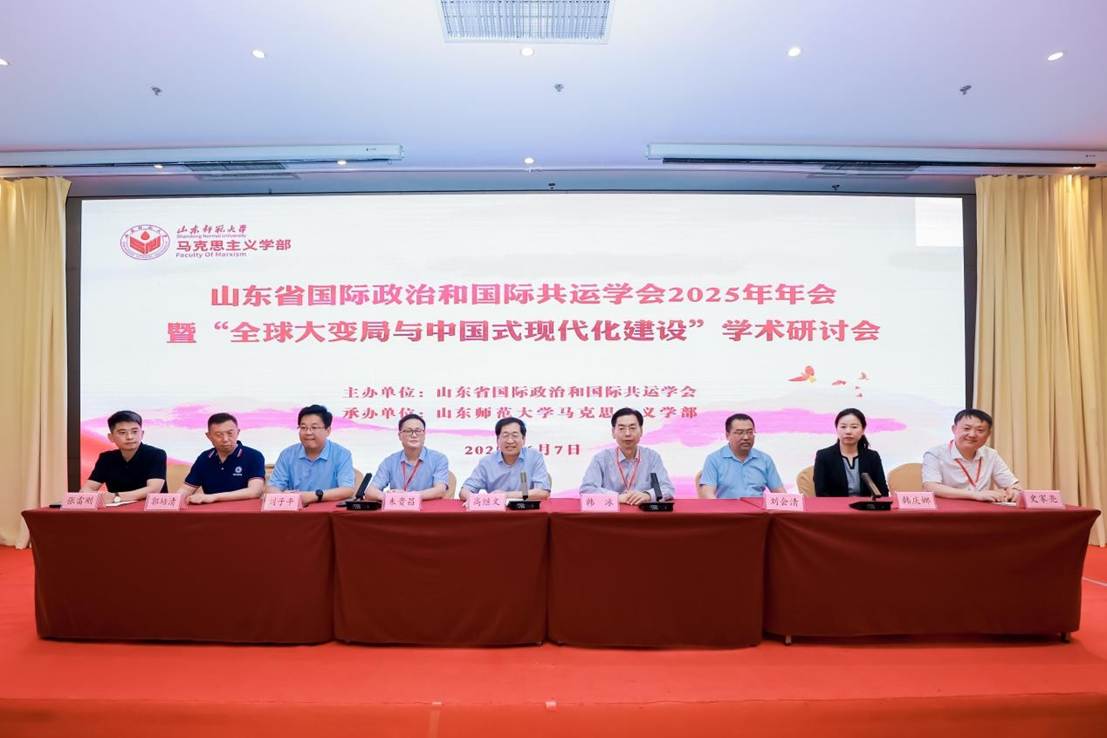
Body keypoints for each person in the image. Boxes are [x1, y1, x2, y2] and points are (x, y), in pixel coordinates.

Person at [922, 408, 1021, 502]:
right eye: (967, 428)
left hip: (982, 509)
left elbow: (1011, 484)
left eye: (980, 430)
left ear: (988, 434)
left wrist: (1014, 490)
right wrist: (975, 495)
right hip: (948, 509)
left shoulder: (991, 454)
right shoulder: (935, 454)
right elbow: (931, 486)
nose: (972, 434)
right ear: (954, 429)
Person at [580, 407, 674, 504]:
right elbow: (586, 489)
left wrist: (648, 495)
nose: (627, 433)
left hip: (642, 512)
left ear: (641, 431)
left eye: (632, 428)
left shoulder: (652, 457)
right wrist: (617, 498)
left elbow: (667, 488)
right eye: (621, 428)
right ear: (613, 432)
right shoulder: (601, 459)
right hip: (611, 512)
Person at [266, 404, 355, 505]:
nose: (308, 432)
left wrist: (313, 496)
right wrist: (283, 497)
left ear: (328, 430)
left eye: (314, 427)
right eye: (303, 427)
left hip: (328, 510)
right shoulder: (287, 454)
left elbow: (347, 490)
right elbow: (272, 487)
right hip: (295, 510)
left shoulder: (342, 454)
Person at [176, 413, 265, 504]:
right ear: (209, 436)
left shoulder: (253, 456)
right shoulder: (204, 458)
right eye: (219, 434)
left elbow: (255, 491)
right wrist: (173, 501)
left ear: (238, 432)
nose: (225, 439)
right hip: (211, 511)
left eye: (230, 433)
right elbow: (186, 489)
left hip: (244, 510)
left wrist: (214, 497)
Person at [80, 410, 167, 503]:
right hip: (116, 509)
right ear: (111, 437)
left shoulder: (156, 454)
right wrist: (91, 494)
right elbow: (87, 489)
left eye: (134, 432)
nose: (130, 437)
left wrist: (116, 497)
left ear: (142, 434)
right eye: (122, 432)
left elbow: (153, 490)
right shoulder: (106, 458)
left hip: (151, 509)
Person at [460, 417, 550, 500]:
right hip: (495, 510)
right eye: (505, 435)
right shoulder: (487, 462)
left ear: (523, 439)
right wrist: (475, 499)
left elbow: (543, 492)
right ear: (497, 440)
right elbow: (465, 491)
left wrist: (505, 495)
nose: (510, 441)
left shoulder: (534, 457)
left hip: (527, 509)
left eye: (515, 435)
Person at [698, 413, 785, 498]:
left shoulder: (764, 459)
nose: (746, 437)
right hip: (726, 508)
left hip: (757, 508)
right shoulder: (714, 459)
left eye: (750, 432)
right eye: (739, 433)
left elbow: (780, 493)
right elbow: (707, 494)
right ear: (727, 435)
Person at [365, 413, 449, 500]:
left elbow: (440, 490)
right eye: (408, 431)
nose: (414, 435)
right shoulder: (390, 461)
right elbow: (370, 491)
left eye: (418, 431)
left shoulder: (439, 459)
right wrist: (390, 497)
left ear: (424, 435)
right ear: (400, 436)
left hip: (428, 507)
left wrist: (408, 496)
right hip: (398, 507)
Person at [813, 407, 889, 496]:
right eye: (843, 427)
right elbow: (821, 493)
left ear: (863, 430)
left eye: (854, 427)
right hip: (834, 505)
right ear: (836, 429)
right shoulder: (824, 456)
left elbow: (883, 492)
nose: (848, 431)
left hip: (867, 505)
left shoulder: (872, 457)